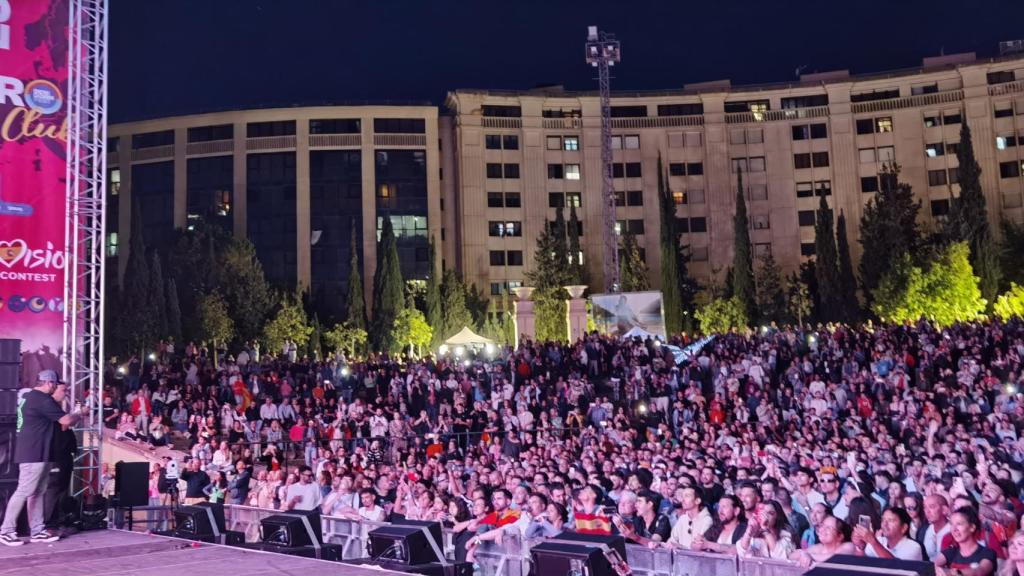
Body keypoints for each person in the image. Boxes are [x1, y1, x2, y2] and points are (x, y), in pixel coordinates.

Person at [1, 370, 80, 546]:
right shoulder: (42, 399)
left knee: (37, 492)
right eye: (55, 384)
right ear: (48, 383)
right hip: (33, 453)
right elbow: (66, 421)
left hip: (39, 452)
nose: (56, 387)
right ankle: (6, 531)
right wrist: (79, 413)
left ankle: (37, 530)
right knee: (24, 491)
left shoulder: (31, 397)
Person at [934, 507, 997, 576]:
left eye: (959, 524)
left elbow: (979, 571)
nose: (954, 529)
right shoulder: (951, 552)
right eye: (951, 524)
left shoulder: (987, 553)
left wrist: (953, 573)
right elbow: (934, 565)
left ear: (972, 527)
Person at [854, 507, 924, 560]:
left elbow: (896, 569)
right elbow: (861, 564)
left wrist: (873, 542)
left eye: (890, 520)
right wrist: (860, 546)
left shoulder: (913, 547)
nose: (884, 524)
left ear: (904, 528)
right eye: (883, 520)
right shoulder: (879, 540)